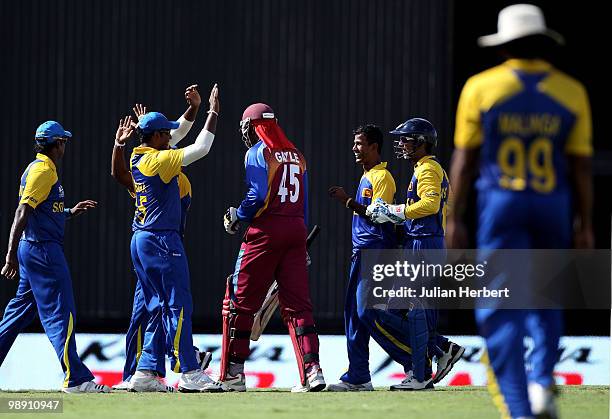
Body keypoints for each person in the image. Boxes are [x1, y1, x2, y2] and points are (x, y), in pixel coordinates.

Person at [447, 4, 593, 418]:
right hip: (553, 203)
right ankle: (543, 381)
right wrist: (583, 223)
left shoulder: (482, 87)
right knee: (547, 296)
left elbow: (465, 159)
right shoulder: (571, 90)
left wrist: (454, 216)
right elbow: (581, 165)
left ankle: (518, 407)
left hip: (502, 202)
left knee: (498, 304)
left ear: (504, 44)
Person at [110, 85, 211, 391]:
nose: (170, 136)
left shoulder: (140, 157)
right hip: (162, 243)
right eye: (164, 133)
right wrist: (213, 111)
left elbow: (176, 133)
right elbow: (200, 148)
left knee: (153, 308)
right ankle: (188, 370)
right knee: (178, 304)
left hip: (142, 241)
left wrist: (193, 109)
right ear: (155, 138)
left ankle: (145, 372)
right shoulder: (160, 163)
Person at [220, 103, 325, 392]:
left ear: (252, 126)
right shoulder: (297, 155)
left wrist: (237, 215)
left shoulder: (258, 152)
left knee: (238, 303)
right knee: (298, 306)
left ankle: (232, 374)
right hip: (295, 230)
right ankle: (313, 371)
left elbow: (256, 195)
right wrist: (301, 243)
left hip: (266, 231)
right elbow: (303, 204)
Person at [0, 121, 110, 393]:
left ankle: (76, 376)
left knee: (17, 315)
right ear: (57, 143)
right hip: (43, 252)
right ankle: (76, 379)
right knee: (62, 313)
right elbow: (22, 211)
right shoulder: (43, 171)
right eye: (64, 142)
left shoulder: (37, 168)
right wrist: (9, 255)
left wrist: (69, 212)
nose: (65, 147)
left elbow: (41, 211)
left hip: (34, 249)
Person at [367, 118, 465, 388]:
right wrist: (401, 218)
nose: (401, 144)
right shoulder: (428, 168)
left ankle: (421, 374)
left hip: (425, 245)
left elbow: (432, 204)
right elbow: (441, 205)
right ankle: (441, 349)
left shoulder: (428, 169)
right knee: (400, 310)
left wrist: (396, 211)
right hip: (423, 242)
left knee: (410, 310)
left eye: (406, 139)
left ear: (421, 142)